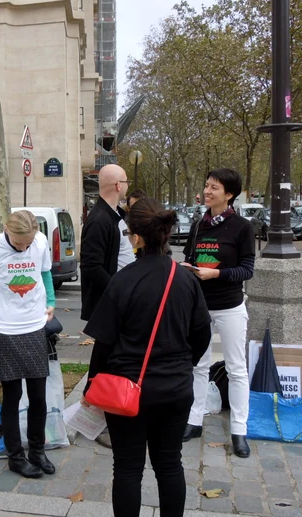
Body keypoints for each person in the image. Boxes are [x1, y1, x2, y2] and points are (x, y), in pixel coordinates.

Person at [83, 197, 211, 517]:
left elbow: (104, 344)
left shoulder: (122, 281)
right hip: (176, 388)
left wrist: (92, 386)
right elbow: (202, 336)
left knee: (127, 468)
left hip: (128, 390)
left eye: (128, 234)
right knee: (169, 464)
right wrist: (183, 365)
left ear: (137, 238)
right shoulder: (185, 279)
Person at [0, 210, 56, 478]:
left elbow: (45, 272)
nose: (24, 247)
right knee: (12, 395)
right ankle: (16, 456)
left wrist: (50, 301)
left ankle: (37, 451)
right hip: (3, 328)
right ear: (6, 229)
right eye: (19, 243)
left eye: (28, 243)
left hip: (33, 325)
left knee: (39, 396)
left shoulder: (38, 241)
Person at [181, 168, 256, 459]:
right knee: (198, 365)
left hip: (230, 307)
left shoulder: (242, 227)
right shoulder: (199, 225)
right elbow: (189, 258)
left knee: (237, 369)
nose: (208, 191)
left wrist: (218, 274)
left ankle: (239, 430)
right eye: (207, 185)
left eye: (214, 187)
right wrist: (188, 270)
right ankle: (194, 420)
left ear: (229, 194)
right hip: (199, 307)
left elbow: (247, 270)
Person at [80, 164, 134, 322]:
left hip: (119, 298)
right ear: (118, 186)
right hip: (110, 303)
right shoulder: (99, 220)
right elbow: (91, 266)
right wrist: (117, 290)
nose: (128, 185)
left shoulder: (115, 214)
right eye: (126, 181)